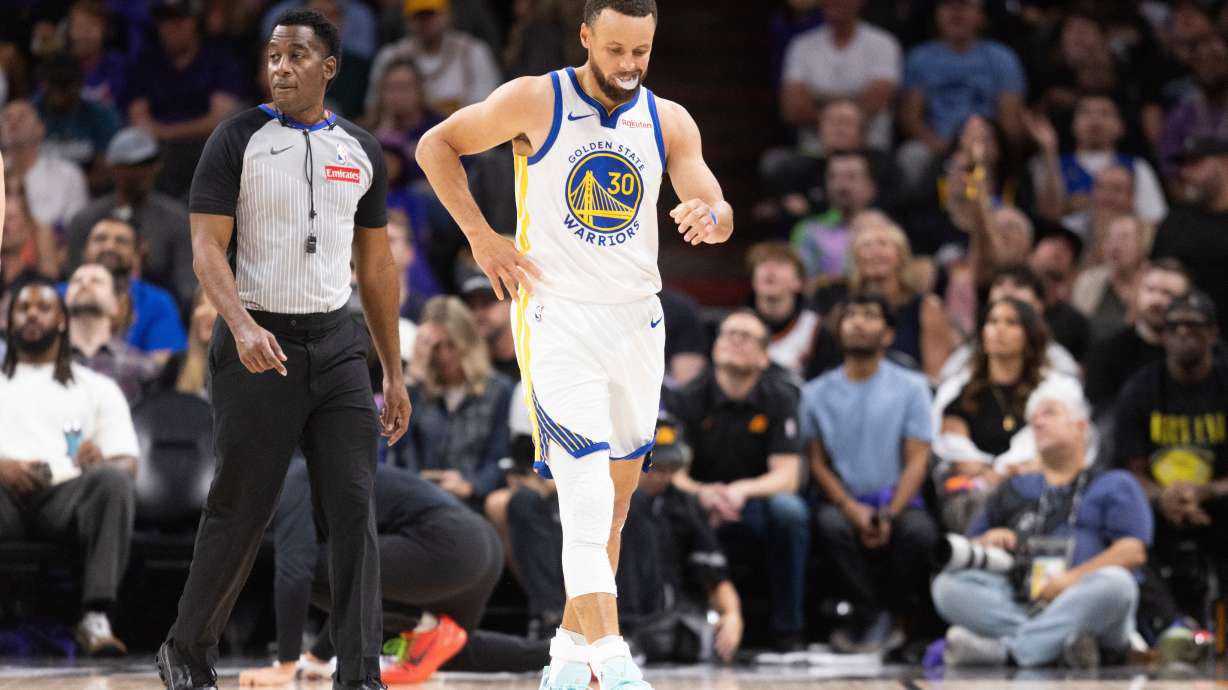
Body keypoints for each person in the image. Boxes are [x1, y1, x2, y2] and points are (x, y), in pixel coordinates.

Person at [415, 0, 735, 684]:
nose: (628, 65)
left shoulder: (668, 119)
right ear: (586, 36)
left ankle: (566, 655)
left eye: (641, 52)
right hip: (559, 319)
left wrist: (713, 218)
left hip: (636, 325)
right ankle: (614, 661)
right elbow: (434, 144)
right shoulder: (538, 98)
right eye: (616, 49)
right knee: (584, 493)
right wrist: (481, 235)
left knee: (616, 505)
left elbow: (713, 198)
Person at [156, 11, 410, 690]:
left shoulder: (360, 149)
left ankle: (359, 673)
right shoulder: (236, 137)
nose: (281, 66)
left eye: (298, 55)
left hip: (337, 346)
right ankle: (187, 649)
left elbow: (378, 267)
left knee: (355, 508)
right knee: (242, 506)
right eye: (273, 55)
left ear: (330, 67)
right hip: (255, 341)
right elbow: (207, 247)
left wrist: (394, 370)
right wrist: (239, 325)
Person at [237, 461, 549, 687]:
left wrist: (286, 663)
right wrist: (318, 658)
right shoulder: (318, 470)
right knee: (448, 650)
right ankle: (559, 655)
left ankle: (424, 625)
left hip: (446, 545)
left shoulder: (293, 480)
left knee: (314, 568)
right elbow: (358, 582)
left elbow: (297, 571)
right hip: (478, 547)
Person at [934, 377, 1151, 669]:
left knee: (1118, 585)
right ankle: (1057, 645)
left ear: (1080, 426)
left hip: (1086, 599)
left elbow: (1132, 552)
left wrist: (1070, 581)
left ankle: (1012, 652)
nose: (1037, 422)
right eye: (1033, 418)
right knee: (947, 585)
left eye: (1049, 413)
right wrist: (987, 541)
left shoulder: (1113, 483)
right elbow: (969, 548)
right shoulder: (1014, 487)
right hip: (1023, 599)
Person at [506, 414, 745, 664]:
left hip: (652, 613)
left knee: (633, 502)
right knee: (528, 504)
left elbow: (714, 574)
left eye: (669, 469)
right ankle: (553, 622)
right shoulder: (591, 489)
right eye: (655, 467)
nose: (662, 476)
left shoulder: (683, 504)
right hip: (574, 586)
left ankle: (621, 630)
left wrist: (732, 613)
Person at [0, 277, 138, 657]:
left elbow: (127, 463)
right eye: (22, 308)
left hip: (65, 496)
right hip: (3, 496)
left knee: (113, 482)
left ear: (62, 321)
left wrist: (101, 461)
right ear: (9, 322)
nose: (32, 314)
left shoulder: (96, 387)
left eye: (43, 307)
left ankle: (95, 617)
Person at [665, 310, 807, 653]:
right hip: (700, 504)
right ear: (714, 348)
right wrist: (705, 494)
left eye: (746, 337)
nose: (735, 341)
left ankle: (789, 632)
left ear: (764, 356)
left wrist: (741, 490)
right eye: (729, 334)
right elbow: (674, 473)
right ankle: (673, 624)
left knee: (790, 512)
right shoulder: (685, 398)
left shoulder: (781, 397)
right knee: (661, 505)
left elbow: (787, 477)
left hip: (754, 502)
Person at [802, 292, 937, 653]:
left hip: (899, 498)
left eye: (870, 315)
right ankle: (870, 616)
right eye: (851, 315)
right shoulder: (814, 393)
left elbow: (918, 459)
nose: (859, 322)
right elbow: (817, 462)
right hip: (845, 499)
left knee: (919, 532)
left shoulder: (912, 387)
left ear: (888, 334)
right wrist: (852, 508)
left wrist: (889, 512)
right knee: (830, 526)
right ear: (839, 330)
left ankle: (892, 617)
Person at [1114, 291, 1228, 621]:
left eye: (1193, 325)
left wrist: (1205, 492)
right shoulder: (1140, 389)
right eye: (1174, 325)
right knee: (1124, 512)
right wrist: (1163, 497)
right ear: (1162, 336)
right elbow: (1129, 469)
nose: (1182, 333)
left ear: (1213, 333)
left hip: (1217, 501)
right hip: (1159, 507)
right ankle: (1169, 627)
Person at [934, 297, 1083, 531]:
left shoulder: (1053, 391)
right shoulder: (960, 390)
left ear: (1029, 334)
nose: (999, 330)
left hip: (1034, 487)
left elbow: (1058, 447)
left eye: (1011, 323)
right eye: (992, 322)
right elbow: (955, 450)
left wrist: (1014, 473)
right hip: (973, 491)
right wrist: (990, 475)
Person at [395, 295, 513, 504]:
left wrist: (470, 486)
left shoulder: (497, 390)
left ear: (467, 342)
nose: (444, 355)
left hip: (472, 502)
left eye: (452, 344)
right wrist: (413, 377)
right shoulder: (419, 392)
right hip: (422, 499)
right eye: (436, 346)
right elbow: (398, 447)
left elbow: (499, 457)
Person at [897, 0, 1026, 186]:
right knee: (912, 155)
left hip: (988, 144)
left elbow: (1011, 121)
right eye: (948, 5)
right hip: (936, 144)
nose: (956, 13)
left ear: (981, 16)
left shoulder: (1002, 58)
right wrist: (940, 146)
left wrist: (990, 146)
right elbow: (910, 116)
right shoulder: (919, 58)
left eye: (964, 5)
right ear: (936, 14)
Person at [123, 0, 243, 198]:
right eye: (165, 21)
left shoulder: (219, 59)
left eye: (179, 19)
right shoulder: (146, 62)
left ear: (194, 21)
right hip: (158, 152)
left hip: (205, 149)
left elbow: (220, 120)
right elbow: (138, 118)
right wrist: (161, 136)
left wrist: (166, 132)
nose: (171, 27)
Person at [66, 127, 196, 309]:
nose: (137, 173)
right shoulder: (85, 220)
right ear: (112, 167)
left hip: (158, 308)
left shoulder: (175, 219)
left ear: (157, 166)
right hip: (90, 306)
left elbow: (187, 288)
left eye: (145, 164)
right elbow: (73, 278)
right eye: (128, 166)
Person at [1031, 94, 1166, 237]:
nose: (1095, 120)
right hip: (1067, 246)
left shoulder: (1137, 166)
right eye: (1086, 113)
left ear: (1120, 126)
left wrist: (1084, 204)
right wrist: (1049, 151)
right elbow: (1048, 216)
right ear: (1073, 124)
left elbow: (1154, 218)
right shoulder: (1050, 163)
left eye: (1105, 113)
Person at [779, 0, 901, 152]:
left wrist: (819, 99)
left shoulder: (883, 44)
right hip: (814, 151)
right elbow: (792, 109)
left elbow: (878, 100)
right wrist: (852, 102)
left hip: (870, 149)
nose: (832, 2)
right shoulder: (801, 46)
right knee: (775, 163)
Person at [1084, 259, 1189, 417]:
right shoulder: (1108, 351)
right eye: (1150, 290)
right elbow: (1100, 416)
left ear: (1186, 302)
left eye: (1168, 294)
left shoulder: (1200, 356)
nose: (1157, 300)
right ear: (1138, 292)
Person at [366, 0, 503, 117]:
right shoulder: (391, 56)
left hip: (465, 139)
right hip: (402, 141)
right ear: (407, 20)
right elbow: (374, 108)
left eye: (431, 15)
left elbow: (487, 107)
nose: (425, 22)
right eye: (419, 16)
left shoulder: (472, 52)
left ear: (448, 16)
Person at [78, 215, 187, 361]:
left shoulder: (158, 302)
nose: (109, 246)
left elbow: (164, 362)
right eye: (100, 239)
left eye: (121, 241)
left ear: (136, 254)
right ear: (85, 249)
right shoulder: (59, 297)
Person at [1153, 134, 1228, 319]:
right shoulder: (1175, 219)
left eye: (1195, 163)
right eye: (1183, 165)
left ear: (1224, 163)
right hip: (1178, 326)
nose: (1185, 173)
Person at [65, 262, 163, 404]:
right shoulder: (45, 363)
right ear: (65, 298)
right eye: (77, 281)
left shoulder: (142, 368)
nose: (85, 284)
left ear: (115, 305)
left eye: (96, 281)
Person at [32, 51, 121, 190]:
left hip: (86, 194)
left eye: (65, 83)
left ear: (80, 83)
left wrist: (66, 189)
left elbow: (106, 172)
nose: (58, 90)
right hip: (35, 192)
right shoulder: (29, 113)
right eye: (52, 82)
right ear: (42, 83)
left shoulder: (101, 116)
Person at [0, 99, 89, 231]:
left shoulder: (68, 174)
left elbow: (77, 228)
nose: (13, 122)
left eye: (22, 117)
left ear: (40, 129)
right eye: (7, 118)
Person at [788, 150, 878, 280]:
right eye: (833, 177)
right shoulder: (808, 230)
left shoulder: (886, 230)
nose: (841, 185)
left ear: (871, 186)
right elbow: (802, 281)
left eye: (851, 176)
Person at [1071, 214, 1150, 344]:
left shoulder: (1152, 283)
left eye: (1124, 237)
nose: (1115, 245)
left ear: (1143, 243)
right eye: (1110, 238)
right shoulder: (1088, 280)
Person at [746, 241, 820, 378]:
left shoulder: (815, 328)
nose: (769, 269)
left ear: (798, 282)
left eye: (780, 264)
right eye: (762, 263)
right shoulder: (735, 325)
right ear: (753, 280)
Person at [461, 271, 519, 382]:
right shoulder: (470, 370)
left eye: (487, 303)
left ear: (511, 301)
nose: (478, 314)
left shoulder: (535, 353)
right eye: (472, 306)